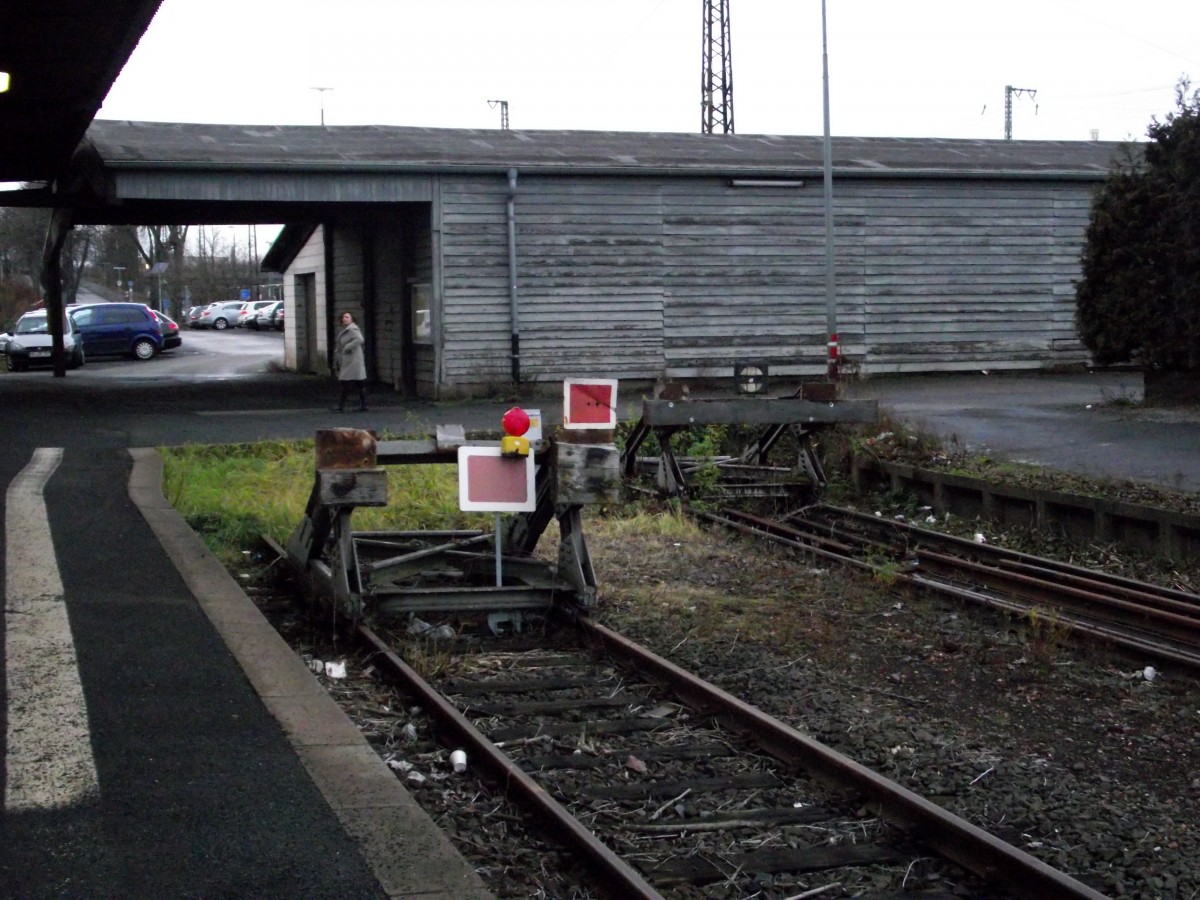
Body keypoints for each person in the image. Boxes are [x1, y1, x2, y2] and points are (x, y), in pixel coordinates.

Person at [333, 311, 368, 412]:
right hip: (351, 360)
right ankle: (364, 405)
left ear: (352, 319)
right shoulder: (347, 330)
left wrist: (348, 347)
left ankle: (340, 406)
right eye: (344, 317)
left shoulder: (353, 329)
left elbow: (360, 339)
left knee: (345, 382)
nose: (345, 319)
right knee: (359, 383)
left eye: (347, 317)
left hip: (353, 360)